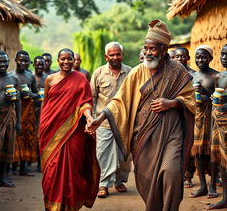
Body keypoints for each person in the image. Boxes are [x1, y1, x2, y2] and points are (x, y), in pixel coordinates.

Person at [87, 19, 195, 211]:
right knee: (147, 180)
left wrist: (172, 103)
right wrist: (99, 119)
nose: (148, 52)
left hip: (172, 134)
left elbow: (190, 99)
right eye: (145, 48)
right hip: (144, 137)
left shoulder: (177, 70)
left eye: (152, 49)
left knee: (171, 173)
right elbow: (119, 101)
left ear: (163, 49)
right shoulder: (137, 72)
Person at [39, 48, 100, 211]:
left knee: (73, 170)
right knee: (51, 171)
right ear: (57, 61)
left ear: (74, 60)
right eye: (63, 59)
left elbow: (86, 102)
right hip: (50, 130)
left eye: (69, 59)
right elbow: (46, 105)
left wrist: (88, 117)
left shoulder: (81, 79)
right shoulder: (50, 80)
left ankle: (72, 205)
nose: (66, 62)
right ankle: (52, 206)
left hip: (74, 132)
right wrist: (42, 128)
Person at [90, 42, 132, 198]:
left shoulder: (130, 72)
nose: (115, 57)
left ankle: (119, 181)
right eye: (112, 55)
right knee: (103, 154)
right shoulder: (99, 73)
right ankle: (103, 184)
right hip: (104, 122)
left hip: (125, 122)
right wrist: (92, 119)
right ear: (106, 56)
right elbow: (92, 97)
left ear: (122, 55)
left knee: (124, 156)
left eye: (118, 54)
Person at [190, 45, 219, 198]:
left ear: (210, 58)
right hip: (197, 119)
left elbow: (219, 99)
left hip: (213, 119)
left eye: (204, 57)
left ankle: (213, 185)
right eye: (198, 57)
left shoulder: (216, 76)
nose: (200, 60)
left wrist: (206, 93)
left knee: (214, 152)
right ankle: (202, 186)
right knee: (198, 153)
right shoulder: (192, 76)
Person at [0, 51, 21, 187]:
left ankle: (2, 178)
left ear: (9, 62)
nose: (2, 64)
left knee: (8, 148)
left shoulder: (14, 79)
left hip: (10, 117)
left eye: (5, 61)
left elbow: (18, 101)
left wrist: (19, 121)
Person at [12, 50, 39, 176]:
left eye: (26, 61)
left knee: (27, 138)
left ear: (29, 62)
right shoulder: (11, 76)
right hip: (13, 111)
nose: (23, 63)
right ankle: (11, 167)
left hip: (28, 111)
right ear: (15, 60)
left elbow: (37, 94)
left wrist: (30, 94)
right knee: (14, 138)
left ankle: (23, 167)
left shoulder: (30, 76)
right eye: (21, 60)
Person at [207, 44, 227, 210]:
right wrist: (214, 98)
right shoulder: (218, 77)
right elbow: (216, 100)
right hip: (219, 122)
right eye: (222, 54)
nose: (224, 57)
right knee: (222, 159)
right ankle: (226, 197)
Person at [175, 47, 196, 188]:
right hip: (176, 115)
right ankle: (179, 174)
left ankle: (189, 175)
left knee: (190, 144)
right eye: (177, 57)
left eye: (183, 56)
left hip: (191, 113)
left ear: (188, 58)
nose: (180, 59)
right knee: (177, 145)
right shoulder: (171, 74)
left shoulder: (194, 75)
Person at [33, 56, 47, 172]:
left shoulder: (48, 79)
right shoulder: (31, 77)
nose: (40, 66)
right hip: (31, 110)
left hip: (45, 112)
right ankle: (27, 163)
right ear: (33, 64)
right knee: (31, 137)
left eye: (42, 64)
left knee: (42, 137)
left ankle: (40, 162)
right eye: (38, 64)